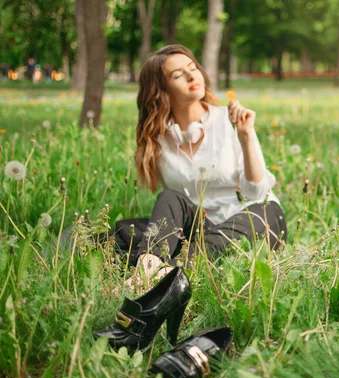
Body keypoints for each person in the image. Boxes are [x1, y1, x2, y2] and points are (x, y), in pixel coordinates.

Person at [113, 44, 287, 290]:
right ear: (161, 90)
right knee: (148, 213)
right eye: (177, 75)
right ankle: (151, 267)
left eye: (192, 68)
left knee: (258, 215)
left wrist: (246, 135)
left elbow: (257, 193)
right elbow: (175, 210)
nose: (191, 76)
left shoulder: (230, 120)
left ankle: (162, 272)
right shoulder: (158, 142)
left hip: (254, 217)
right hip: (201, 229)